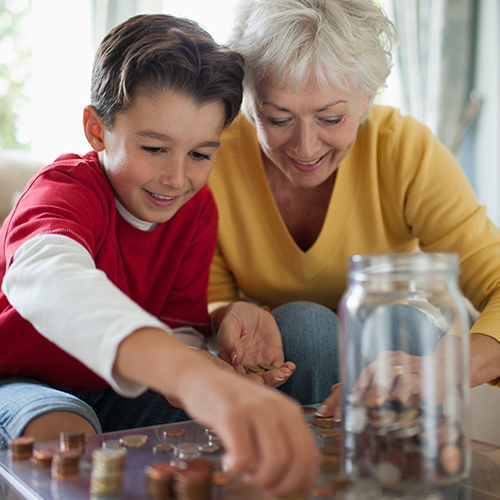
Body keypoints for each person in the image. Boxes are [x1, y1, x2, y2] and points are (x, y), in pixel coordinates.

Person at [0, 14, 317, 496]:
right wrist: (186, 373)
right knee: (65, 432)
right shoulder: (63, 192)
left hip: (113, 392)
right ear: (96, 130)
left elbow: (177, 324)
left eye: (200, 154)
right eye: (154, 148)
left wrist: (204, 362)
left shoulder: (195, 211)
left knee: (218, 431)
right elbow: (49, 279)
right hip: (18, 382)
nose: (176, 178)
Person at [206, 0, 500, 413]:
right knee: (305, 327)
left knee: (399, 321)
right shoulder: (213, 153)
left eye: (331, 119)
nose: (305, 149)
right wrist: (228, 315)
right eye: (277, 118)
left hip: (400, 342)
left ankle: (397, 470)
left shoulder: (403, 149)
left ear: (366, 100)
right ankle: (311, 472)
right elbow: (212, 295)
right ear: (249, 102)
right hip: (292, 349)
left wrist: (453, 365)